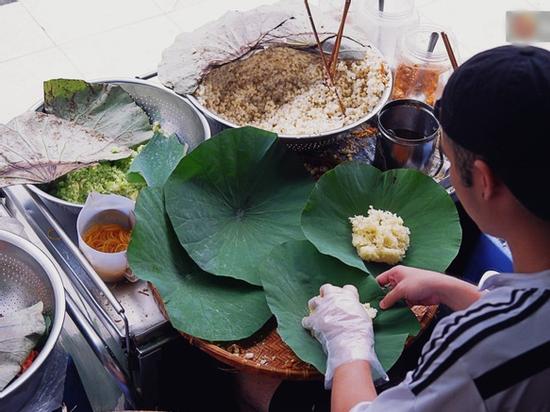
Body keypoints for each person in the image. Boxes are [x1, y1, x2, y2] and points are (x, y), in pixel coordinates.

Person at [302, 45, 550, 412]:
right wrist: (454, 290)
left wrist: (347, 339)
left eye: (447, 159)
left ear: (483, 180)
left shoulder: (477, 353)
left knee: (261, 390)